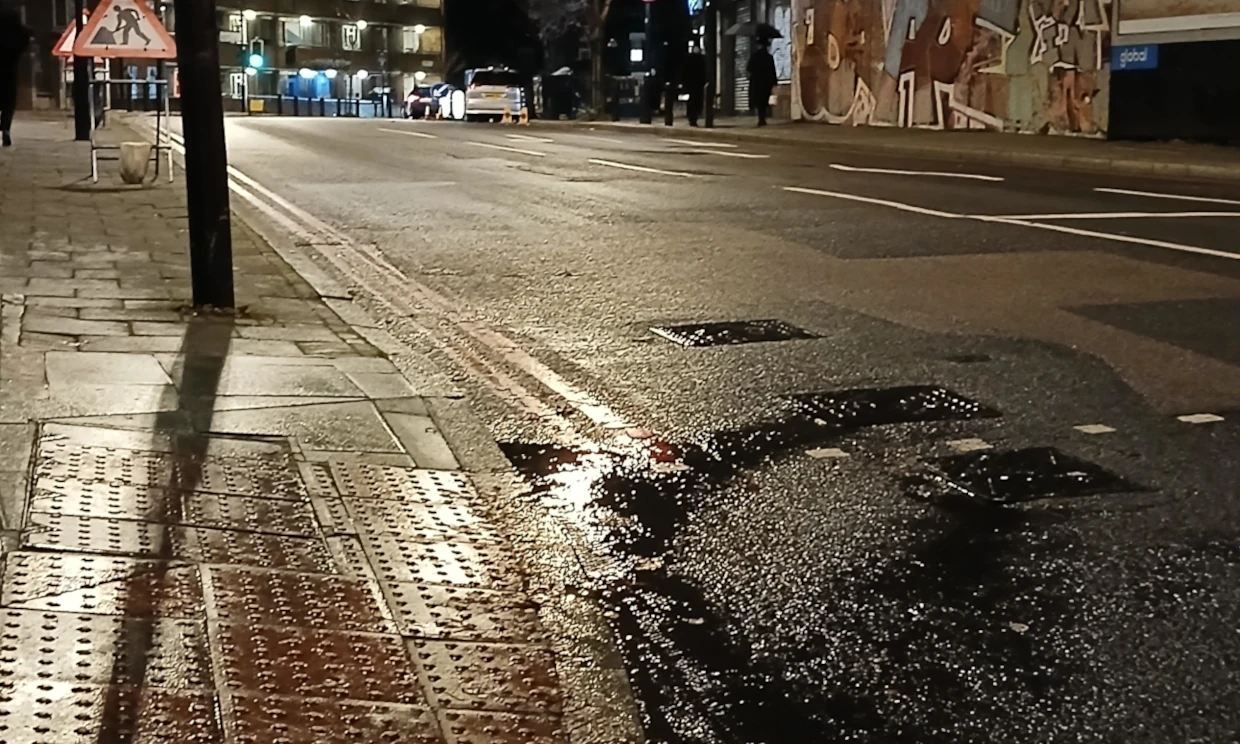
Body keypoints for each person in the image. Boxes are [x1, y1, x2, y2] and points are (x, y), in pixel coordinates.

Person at [0, 7, 29, 147]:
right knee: (8, 102)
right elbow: (25, 38)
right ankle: (5, 128)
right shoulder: (16, 33)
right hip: (10, 70)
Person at [747, 37, 777, 127]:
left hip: (756, 82)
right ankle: (762, 118)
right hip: (766, 82)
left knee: (758, 100)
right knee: (764, 100)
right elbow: (772, 70)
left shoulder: (754, 56)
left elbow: (749, 70)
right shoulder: (769, 57)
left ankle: (761, 118)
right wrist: (774, 82)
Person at [683, 49, 706, 127]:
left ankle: (692, 118)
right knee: (695, 102)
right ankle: (693, 118)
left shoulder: (689, 60)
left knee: (693, 102)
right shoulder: (701, 60)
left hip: (693, 85)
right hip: (696, 85)